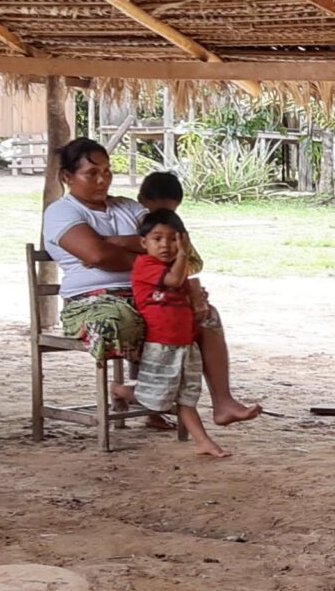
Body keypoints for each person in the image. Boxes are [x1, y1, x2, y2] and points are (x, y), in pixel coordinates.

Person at [42, 143, 259, 424]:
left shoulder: (128, 206)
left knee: (204, 314)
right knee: (125, 320)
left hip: (152, 293)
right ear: (67, 177)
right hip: (94, 300)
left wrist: (115, 242)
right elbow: (98, 255)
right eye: (91, 173)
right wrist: (145, 256)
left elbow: (175, 240)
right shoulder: (61, 212)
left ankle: (223, 403)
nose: (102, 180)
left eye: (107, 172)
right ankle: (139, 395)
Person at [131, 211, 228, 459]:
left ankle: (203, 441)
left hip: (185, 346)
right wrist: (184, 253)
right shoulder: (146, 265)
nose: (166, 245)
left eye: (173, 239)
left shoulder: (178, 268)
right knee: (159, 395)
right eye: (157, 238)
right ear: (144, 243)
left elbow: (184, 292)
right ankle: (120, 391)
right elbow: (173, 281)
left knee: (186, 398)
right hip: (161, 345)